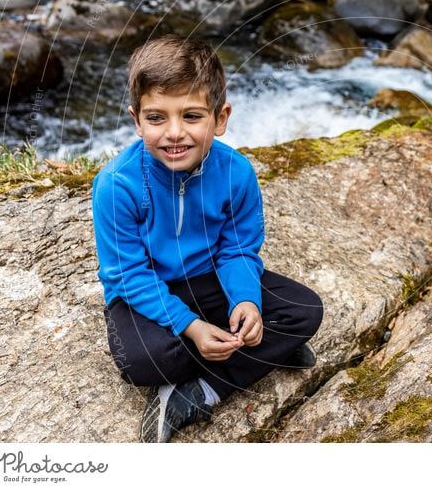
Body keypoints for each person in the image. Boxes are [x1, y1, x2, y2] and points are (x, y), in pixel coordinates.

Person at [91, 35, 324, 443]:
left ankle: (200, 391)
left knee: (305, 310)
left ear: (220, 118)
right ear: (136, 120)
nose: (174, 133)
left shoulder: (236, 173)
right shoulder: (116, 185)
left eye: (192, 116)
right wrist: (193, 327)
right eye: (157, 118)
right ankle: (262, 353)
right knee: (143, 363)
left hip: (209, 278)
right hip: (143, 293)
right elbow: (127, 275)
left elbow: (236, 250)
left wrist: (246, 300)